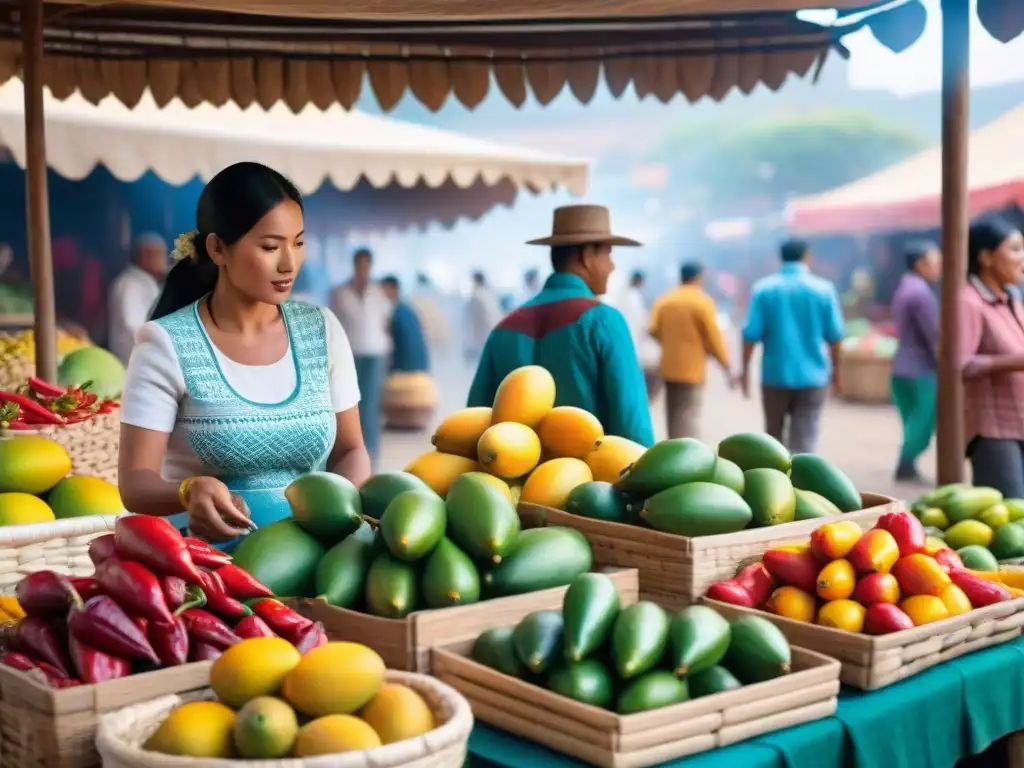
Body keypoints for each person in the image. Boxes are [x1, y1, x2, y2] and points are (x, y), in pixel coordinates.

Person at [117, 162, 370, 548]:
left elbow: (351, 450)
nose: (289, 263)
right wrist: (187, 491)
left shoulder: (323, 330)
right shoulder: (163, 344)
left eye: (298, 242)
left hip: (317, 556)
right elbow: (136, 482)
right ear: (217, 248)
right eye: (270, 246)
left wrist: (339, 515)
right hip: (208, 572)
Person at [467, 204, 654, 446]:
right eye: (608, 254)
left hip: (512, 483)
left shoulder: (503, 329)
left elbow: (472, 424)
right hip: (594, 482)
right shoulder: (604, 321)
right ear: (586, 256)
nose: (612, 266)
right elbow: (633, 428)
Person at [737, 239, 844, 453]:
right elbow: (835, 336)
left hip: (775, 376)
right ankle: (799, 482)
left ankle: (774, 481)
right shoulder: (823, 290)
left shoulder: (764, 289)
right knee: (804, 439)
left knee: (773, 441)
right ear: (807, 256)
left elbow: (750, 335)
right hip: (813, 378)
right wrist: (837, 374)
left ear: (780, 257)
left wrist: (745, 371)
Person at [960, 215, 1024, 497]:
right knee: (1010, 518)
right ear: (986, 257)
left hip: (1019, 422)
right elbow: (961, 365)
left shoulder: (1012, 295)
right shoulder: (968, 300)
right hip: (994, 430)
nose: (1022, 257)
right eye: (1015, 249)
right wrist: (1015, 361)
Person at [650, 262, 731, 438]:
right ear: (698, 278)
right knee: (688, 414)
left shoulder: (665, 299)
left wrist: (670, 342)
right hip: (692, 369)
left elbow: (653, 329)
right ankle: (689, 454)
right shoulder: (702, 301)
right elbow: (713, 337)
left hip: (669, 366)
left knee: (673, 413)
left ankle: (673, 446)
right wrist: (725, 363)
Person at [330, 248, 392, 469]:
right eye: (360, 264)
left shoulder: (378, 292)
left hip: (375, 353)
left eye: (367, 264)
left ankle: (371, 459)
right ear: (354, 264)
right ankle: (351, 457)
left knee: (372, 408)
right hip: (350, 353)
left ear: (370, 265)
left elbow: (386, 322)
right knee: (349, 405)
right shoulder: (339, 292)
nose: (363, 268)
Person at [891, 240, 941, 482]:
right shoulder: (921, 293)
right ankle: (905, 465)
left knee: (912, 421)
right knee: (922, 422)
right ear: (921, 264)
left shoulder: (904, 287)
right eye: (935, 261)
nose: (939, 266)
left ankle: (907, 465)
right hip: (920, 369)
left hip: (901, 368)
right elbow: (934, 336)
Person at [107, 234, 168, 363]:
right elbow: (132, 327)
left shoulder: (147, 282)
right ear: (145, 255)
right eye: (161, 255)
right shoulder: (130, 284)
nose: (165, 261)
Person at [381, 276, 429, 374]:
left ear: (393, 290)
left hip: (406, 371)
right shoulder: (407, 310)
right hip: (420, 369)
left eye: (384, 290)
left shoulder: (397, 313)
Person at [464, 271, 502, 364]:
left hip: (482, 338)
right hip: (493, 335)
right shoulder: (490, 295)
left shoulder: (477, 296)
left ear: (475, 281)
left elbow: (474, 322)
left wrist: (469, 343)